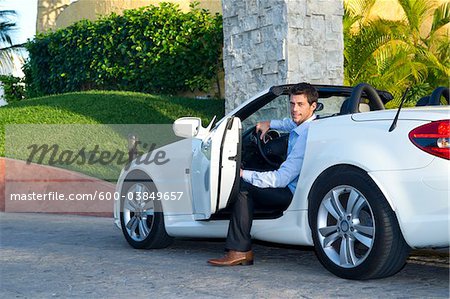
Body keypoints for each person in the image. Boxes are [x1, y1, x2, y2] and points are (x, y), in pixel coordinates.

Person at [208, 82, 319, 266]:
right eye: (292, 104)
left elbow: (281, 178)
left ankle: (239, 251)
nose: (294, 109)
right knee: (253, 178)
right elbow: (290, 123)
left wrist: (242, 173)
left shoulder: (306, 137)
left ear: (312, 106)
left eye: (300, 104)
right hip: (293, 185)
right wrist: (270, 123)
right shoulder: (309, 124)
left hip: (291, 192)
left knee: (244, 190)